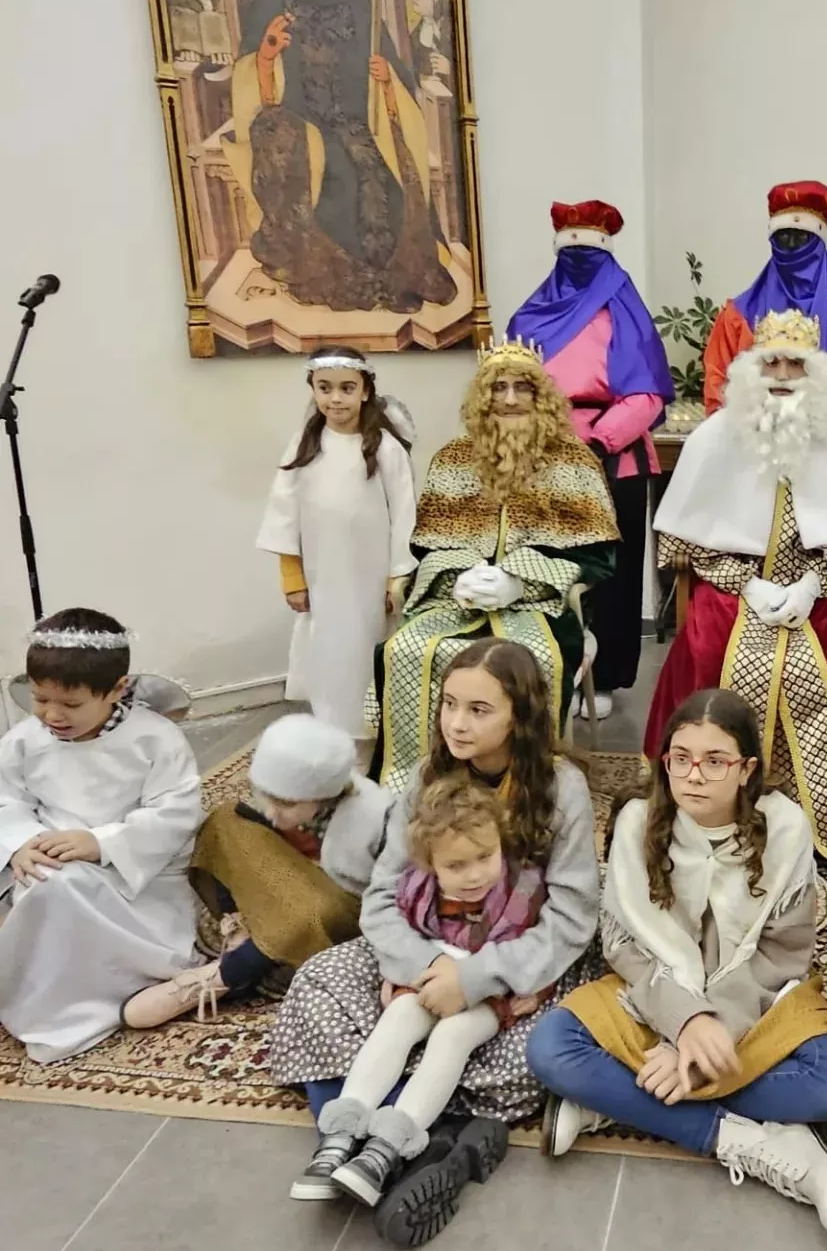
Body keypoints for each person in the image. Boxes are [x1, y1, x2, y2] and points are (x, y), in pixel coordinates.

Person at [267, 639, 600, 1248]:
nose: (456, 722)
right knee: (320, 985)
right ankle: (378, 1143)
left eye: (479, 710)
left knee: (531, 1057)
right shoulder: (428, 778)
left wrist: (473, 980)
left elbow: (573, 917)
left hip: (517, 963)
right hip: (427, 949)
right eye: (449, 704)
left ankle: (404, 1150)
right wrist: (426, 968)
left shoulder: (560, 788)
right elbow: (383, 895)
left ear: (520, 717)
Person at [528, 688, 827, 1238]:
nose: (694, 775)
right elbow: (623, 946)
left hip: (757, 1001)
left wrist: (712, 1031)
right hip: (657, 992)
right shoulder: (639, 821)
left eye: (715, 761)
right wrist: (684, 1020)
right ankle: (744, 1140)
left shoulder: (784, 827)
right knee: (550, 1048)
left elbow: (784, 955)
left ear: (746, 769)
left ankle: (619, 1099)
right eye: (680, 758)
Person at [646, 309, 827, 866]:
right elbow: (686, 540)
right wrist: (749, 587)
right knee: (711, 645)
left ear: (817, 375)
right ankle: (712, 798)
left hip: (822, 586)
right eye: (772, 362)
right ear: (750, 369)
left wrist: (813, 583)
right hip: (734, 586)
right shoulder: (715, 438)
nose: (783, 374)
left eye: (796, 363)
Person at [371, 337, 617, 790]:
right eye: (497, 387)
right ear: (482, 397)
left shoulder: (576, 461)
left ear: (540, 395)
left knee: (536, 659)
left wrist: (520, 582)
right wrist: (459, 573)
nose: (508, 399)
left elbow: (599, 556)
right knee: (402, 650)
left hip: (539, 606)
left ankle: (528, 784)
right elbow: (427, 544)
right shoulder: (452, 460)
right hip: (455, 600)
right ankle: (413, 782)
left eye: (522, 387)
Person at [314, 774, 552, 1210]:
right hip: (429, 976)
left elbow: (539, 945)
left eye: (485, 857)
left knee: (452, 1036)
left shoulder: (523, 888)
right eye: (456, 866)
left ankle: (388, 1145)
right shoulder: (416, 888)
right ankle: (342, 1131)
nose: (475, 874)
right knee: (399, 1018)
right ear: (429, 863)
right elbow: (399, 935)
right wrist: (401, 969)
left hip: (489, 990)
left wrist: (536, 988)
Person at [224, 0, 457, 312]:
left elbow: (384, 53)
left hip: (349, 114)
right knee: (307, 163)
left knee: (367, 169)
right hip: (295, 110)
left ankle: (382, 273)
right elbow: (252, 55)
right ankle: (319, 269)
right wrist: (269, 53)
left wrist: (384, 75)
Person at [0, 610, 202, 1063]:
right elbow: (5, 799)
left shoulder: (155, 740)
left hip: (132, 879)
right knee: (50, 884)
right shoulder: (24, 740)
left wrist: (103, 843)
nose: (52, 714)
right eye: (38, 699)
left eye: (70, 705)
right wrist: (20, 842)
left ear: (117, 689)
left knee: (63, 887)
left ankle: (72, 1008)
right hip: (45, 859)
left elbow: (176, 812)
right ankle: (36, 991)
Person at [508, 200, 674, 721]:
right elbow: (511, 387)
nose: (580, 256)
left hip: (613, 459)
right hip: (540, 460)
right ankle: (547, 668)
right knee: (546, 567)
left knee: (615, 575)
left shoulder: (626, 314)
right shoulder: (527, 317)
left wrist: (598, 441)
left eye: (589, 247)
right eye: (570, 247)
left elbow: (648, 394)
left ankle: (608, 677)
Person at [122, 714, 394, 1028]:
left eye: (286, 805)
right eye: (268, 797)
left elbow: (386, 903)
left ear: (325, 794)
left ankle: (226, 976)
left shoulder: (377, 819)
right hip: (295, 880)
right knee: (225, 821)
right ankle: (242, 932)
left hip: (342, 909)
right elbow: (258, 828)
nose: (271, 811)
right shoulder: (282, 797)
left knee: (309, 913)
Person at [258, 347, 417, 741]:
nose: (335, 398)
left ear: (365, 391)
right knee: (329, 652)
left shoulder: (384, 448)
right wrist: (292, 576)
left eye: (347, 388)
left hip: (372, 576)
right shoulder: (304, 446)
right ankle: (333, 733)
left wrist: (397, 576)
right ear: (312, 390)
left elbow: (404, 516)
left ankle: (377, 732)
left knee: (369, 649)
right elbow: (283, 513)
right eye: (325, 388)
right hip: (322, 576)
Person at [702, 181, 827, 420]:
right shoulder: (736, 317)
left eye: (802, 238)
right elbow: (718, 395)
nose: (792, 247)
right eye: (783, 237)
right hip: (751, 446)